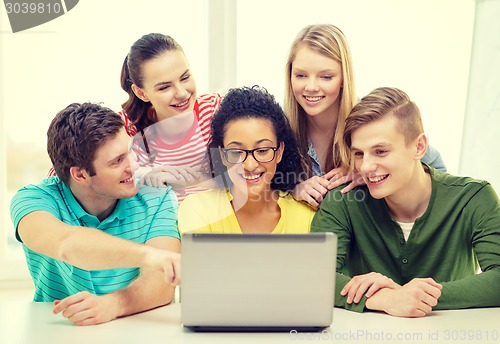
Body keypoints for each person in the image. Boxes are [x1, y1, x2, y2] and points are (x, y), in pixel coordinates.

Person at [311, 87, 500, 317]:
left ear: (419, 147)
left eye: (380, 151)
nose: (365, 167)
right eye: (359, 154)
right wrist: (386, 299)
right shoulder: (342, 202)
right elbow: (314, 277)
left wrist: (412, 298)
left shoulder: (474, 197)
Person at [10, 102, 181, 326]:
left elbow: (162, 282)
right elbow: (67, 244)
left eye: (129, 152)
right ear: (80, 174)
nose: (133, 166)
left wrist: (113, 304)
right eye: (117, 161)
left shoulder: (157, 196)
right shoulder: (33, 201)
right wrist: (149, 255)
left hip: (138, 329)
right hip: (57, 330)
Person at [284, 24, 447, 208]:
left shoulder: (370, 119)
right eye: (301, 75)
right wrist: (293, 190)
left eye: (326, 77)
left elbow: (436, 169)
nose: (311, 87)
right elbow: (255, 189)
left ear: (344, 78)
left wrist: (371, 171)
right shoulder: (278, 127)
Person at [178, 86, 315, 234]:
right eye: (236, 152)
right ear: (222, 155)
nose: (250, 165)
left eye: (262, 151)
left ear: (279, 151)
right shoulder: (198, 210)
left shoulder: (307, 217)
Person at [120, 33, 222, 202]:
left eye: (185, 77)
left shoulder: (215, 110)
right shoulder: (126, 127)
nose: (182, 93)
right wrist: (143, 176)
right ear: (141, 93)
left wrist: (183, 179)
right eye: (165, 87)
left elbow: (245, 175)